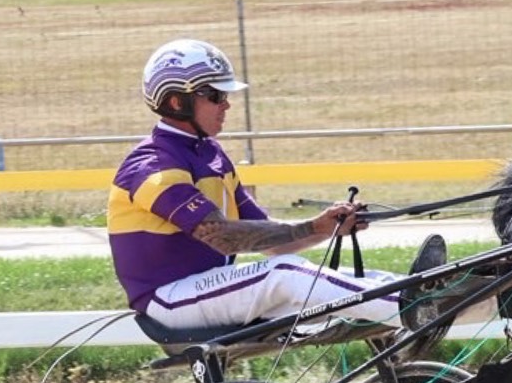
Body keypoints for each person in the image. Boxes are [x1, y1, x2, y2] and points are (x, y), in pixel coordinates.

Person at [107, 38, 446, 338]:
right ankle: (406, 305)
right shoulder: (152, 164)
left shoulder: (212, 155)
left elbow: (271, 242)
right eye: (214, 94)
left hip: (208, 290)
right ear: (176, 102)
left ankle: (453, 299)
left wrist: (328, 227)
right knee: (285, 274)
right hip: (168, 300)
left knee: (334, 278)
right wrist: (311, 226)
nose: (226, 104)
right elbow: (220, 235)